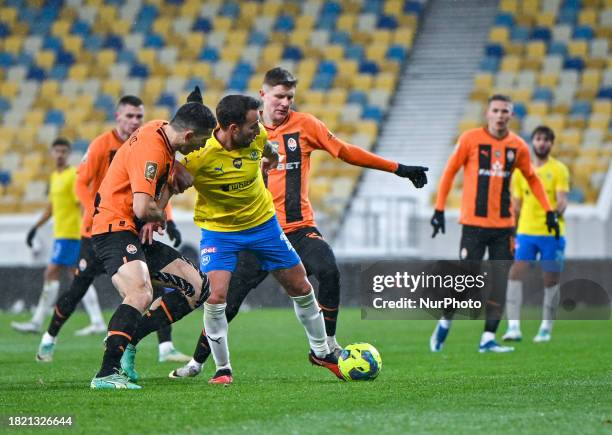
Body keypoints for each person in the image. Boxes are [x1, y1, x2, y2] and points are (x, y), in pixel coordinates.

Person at [170, 68, 428, 379]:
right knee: (228, 299)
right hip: (243, 230)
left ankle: (327, 348)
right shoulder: (241, 133)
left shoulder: (303, 126)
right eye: (279, 96)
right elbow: (185, 153)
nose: (285, 103)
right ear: (263, 96)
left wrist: (398, 169)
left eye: (290, 97)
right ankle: (199, 363)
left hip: (294, 226)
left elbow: (345, 151)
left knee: (326, 270)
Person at [179, 94, 359, 385]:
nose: (259, 128)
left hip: (264, 226)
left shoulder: (257, 136)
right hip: (220, 232)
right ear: (233, 128)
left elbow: (271, 155)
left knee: (300, 284)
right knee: (216, 296)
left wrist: (266, 167)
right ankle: (223, 369)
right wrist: (155, 216)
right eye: (252, 125)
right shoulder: (199, 155)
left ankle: (321, 351)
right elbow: (170, 183)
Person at [35, 96, 189, 364]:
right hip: (99, 230)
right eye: (129, 116)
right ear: (118, 117)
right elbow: (81, 184)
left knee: (153, 284)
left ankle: (165, 347)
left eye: (139, 116)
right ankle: (49, 338)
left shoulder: (149, 143)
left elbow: (158, 185)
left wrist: (169, 219)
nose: (135, 121)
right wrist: (94, 211)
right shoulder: (101, 145)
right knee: (78, 288)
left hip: (133, 226)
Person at [88, 102, 217, 389]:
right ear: (187, 136)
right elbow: (143, 208)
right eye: (201, 141)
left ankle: (128, 338)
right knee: (140, 291)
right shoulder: (153, 150)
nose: (200, 148)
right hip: (114, 228)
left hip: (133, 230)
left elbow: (149, 201)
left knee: (199, 288)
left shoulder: (162, 129)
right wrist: (157, 214)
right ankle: (106, 373)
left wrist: (173, 177)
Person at [429, 94, 560, 353]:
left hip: (503, 227)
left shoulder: (518, 146)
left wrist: (549, 211)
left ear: (511, 116)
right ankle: (445, 321)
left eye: (505, 111)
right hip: (473, 225)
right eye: (496, 110)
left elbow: (532, 178)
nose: (501, 115)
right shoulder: (470, 139)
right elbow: (449, 171)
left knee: (501, 281)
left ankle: (488, 338)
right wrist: (439, 209)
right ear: (487, 114)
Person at [502, 126, 569, 343]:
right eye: (539, 139)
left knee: (550, 280)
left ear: (551, 143)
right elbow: (517, 205)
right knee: (515, 274)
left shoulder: (559, 169)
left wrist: (555, 214)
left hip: (551, 234)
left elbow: (562, 200)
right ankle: (513, 328)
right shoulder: (521, 172)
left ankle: (546, 327)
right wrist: (510, 229)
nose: (542, 143)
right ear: (532, 142)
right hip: (526, 233)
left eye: (546, 140)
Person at [11, 138, 85, 334]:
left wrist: (87, 229)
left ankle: (36, 321)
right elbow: (52, 207)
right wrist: (35, 228)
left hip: (70, 234)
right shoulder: (55, 176)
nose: (60, 154)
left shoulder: (72, 175)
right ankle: (96, 320)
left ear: (68, 153)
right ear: (52, 153)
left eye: (63, 151)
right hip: (60, 233)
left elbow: (82, 204)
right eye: (57, 151)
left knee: (51, 272)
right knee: (77, 277)